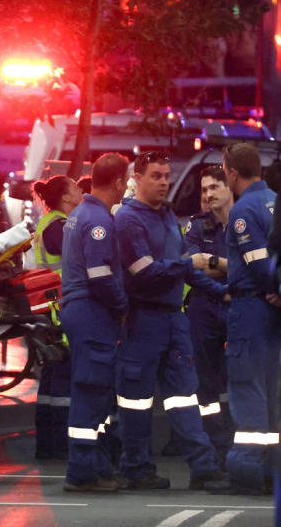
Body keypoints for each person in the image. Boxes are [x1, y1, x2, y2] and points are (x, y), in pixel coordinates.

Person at [114, 151, 227, 491]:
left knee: (185, 396)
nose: (164, 182)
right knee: (136, 400)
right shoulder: (128, 220)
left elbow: (183, 267)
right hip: (142, 319)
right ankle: (135, 468)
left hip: (172, 320)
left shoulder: (165, 216)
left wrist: (222, 291)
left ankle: (203, 467)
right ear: (137, 177)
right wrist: (189, 264)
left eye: (167, 175)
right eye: (156, 176)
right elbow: (144, 272)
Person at [209, 143, 281, 495]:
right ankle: (271, 469)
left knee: (247, 389)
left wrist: (273, 287)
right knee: (271, 390)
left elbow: (257, 264)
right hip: (275, 313)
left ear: (231, 172)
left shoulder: (243, 211)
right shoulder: (278, 202)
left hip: (250, 311)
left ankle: (247, 470)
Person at [59, 153, 129, 492]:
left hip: (83, 310)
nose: (126, 187)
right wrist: (122, 305)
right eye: (125, 181)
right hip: (92, 311)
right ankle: (82, 472)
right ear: (117, 182)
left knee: (94, 390)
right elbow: (100, 275)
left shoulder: (81, 214)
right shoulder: (98, 221)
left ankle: (95, 466)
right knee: (90, 391)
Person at [182, 165, 236, 465]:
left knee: (240, 378)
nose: (208, 194)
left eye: (214, 187)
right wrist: (228, 266)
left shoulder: (244, 223)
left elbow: (246, 267)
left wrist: (214, 261)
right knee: (206, 383)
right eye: (204, 189)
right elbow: (190, 266)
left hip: (237, 304)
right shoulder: (196, 226)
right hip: (204, 307)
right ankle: (217, 446)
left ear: (230, 187)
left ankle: (241, 446)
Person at [31, 175, 84, 461]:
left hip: (53, 309)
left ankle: (48, 443)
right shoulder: (59, 227)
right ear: (65, 198)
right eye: (76, 189)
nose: (80, 192)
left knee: (53, 380)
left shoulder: (52, 223)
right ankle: (58, 444)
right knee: (62, 378)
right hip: (60, 310)